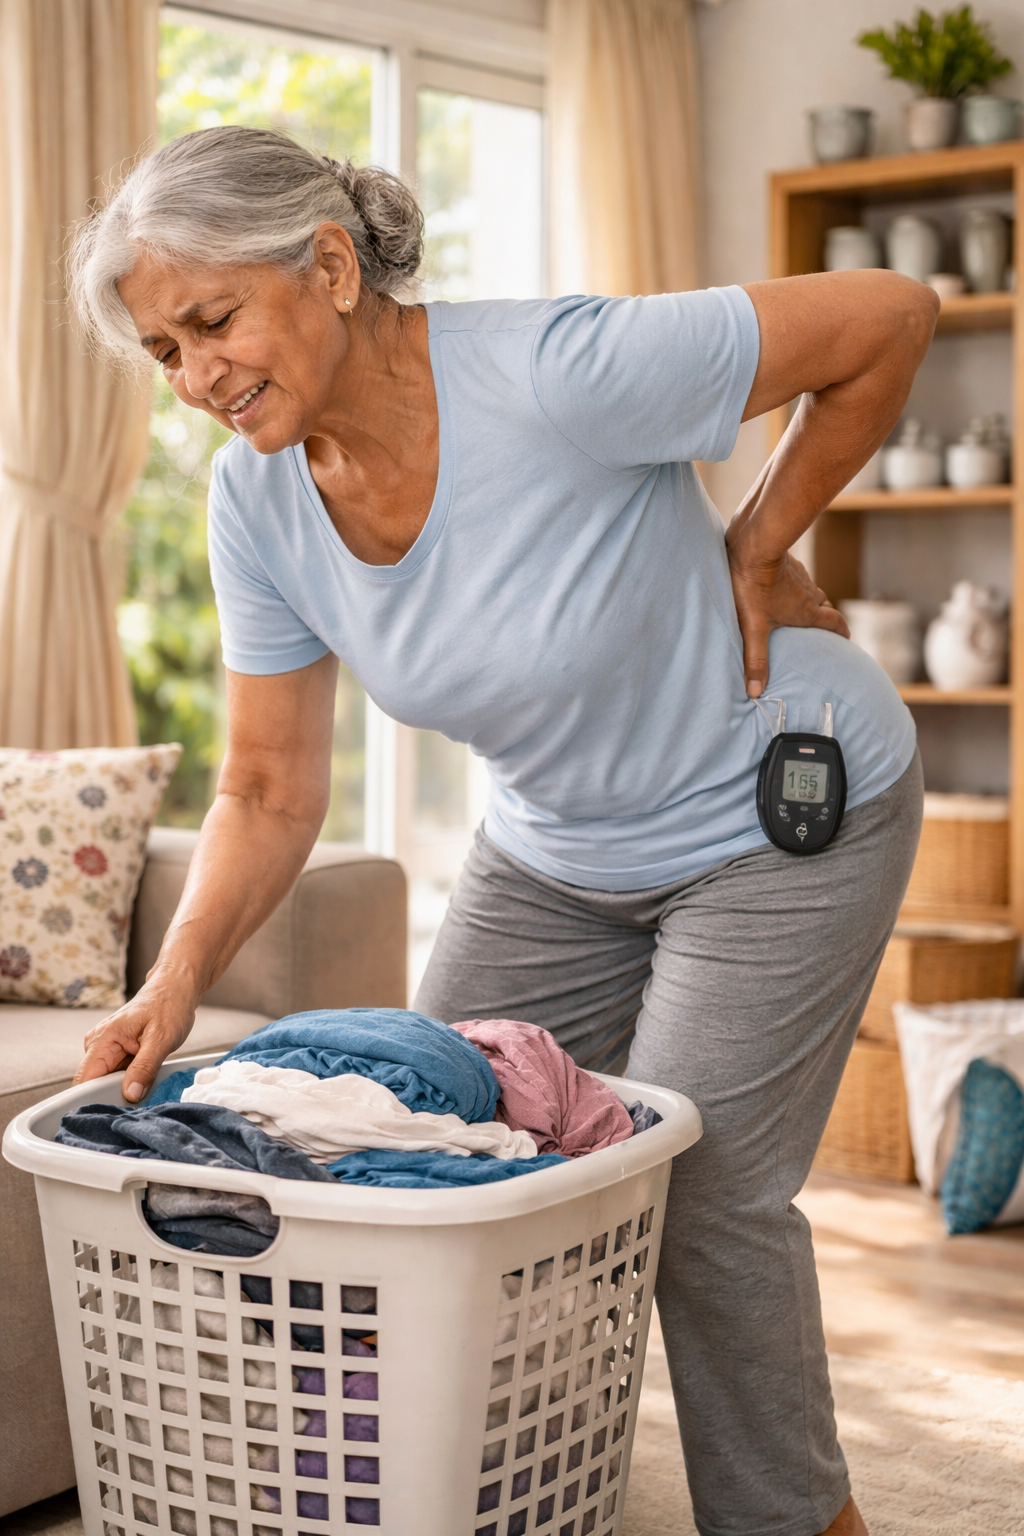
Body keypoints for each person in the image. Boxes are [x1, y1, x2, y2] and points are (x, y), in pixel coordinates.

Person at [71, 126, 936, 1536]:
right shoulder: (258, 500)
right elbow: (269, 787)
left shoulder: (557, 374)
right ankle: (462, 1501)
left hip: (774, 809)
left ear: (332, 266)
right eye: (165, 351)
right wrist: (166, 986)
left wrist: (762, 542)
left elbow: (893, 317)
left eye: (212, 321)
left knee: (701, 1195)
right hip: (554, 851)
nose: (196, 378)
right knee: (420, 1151)